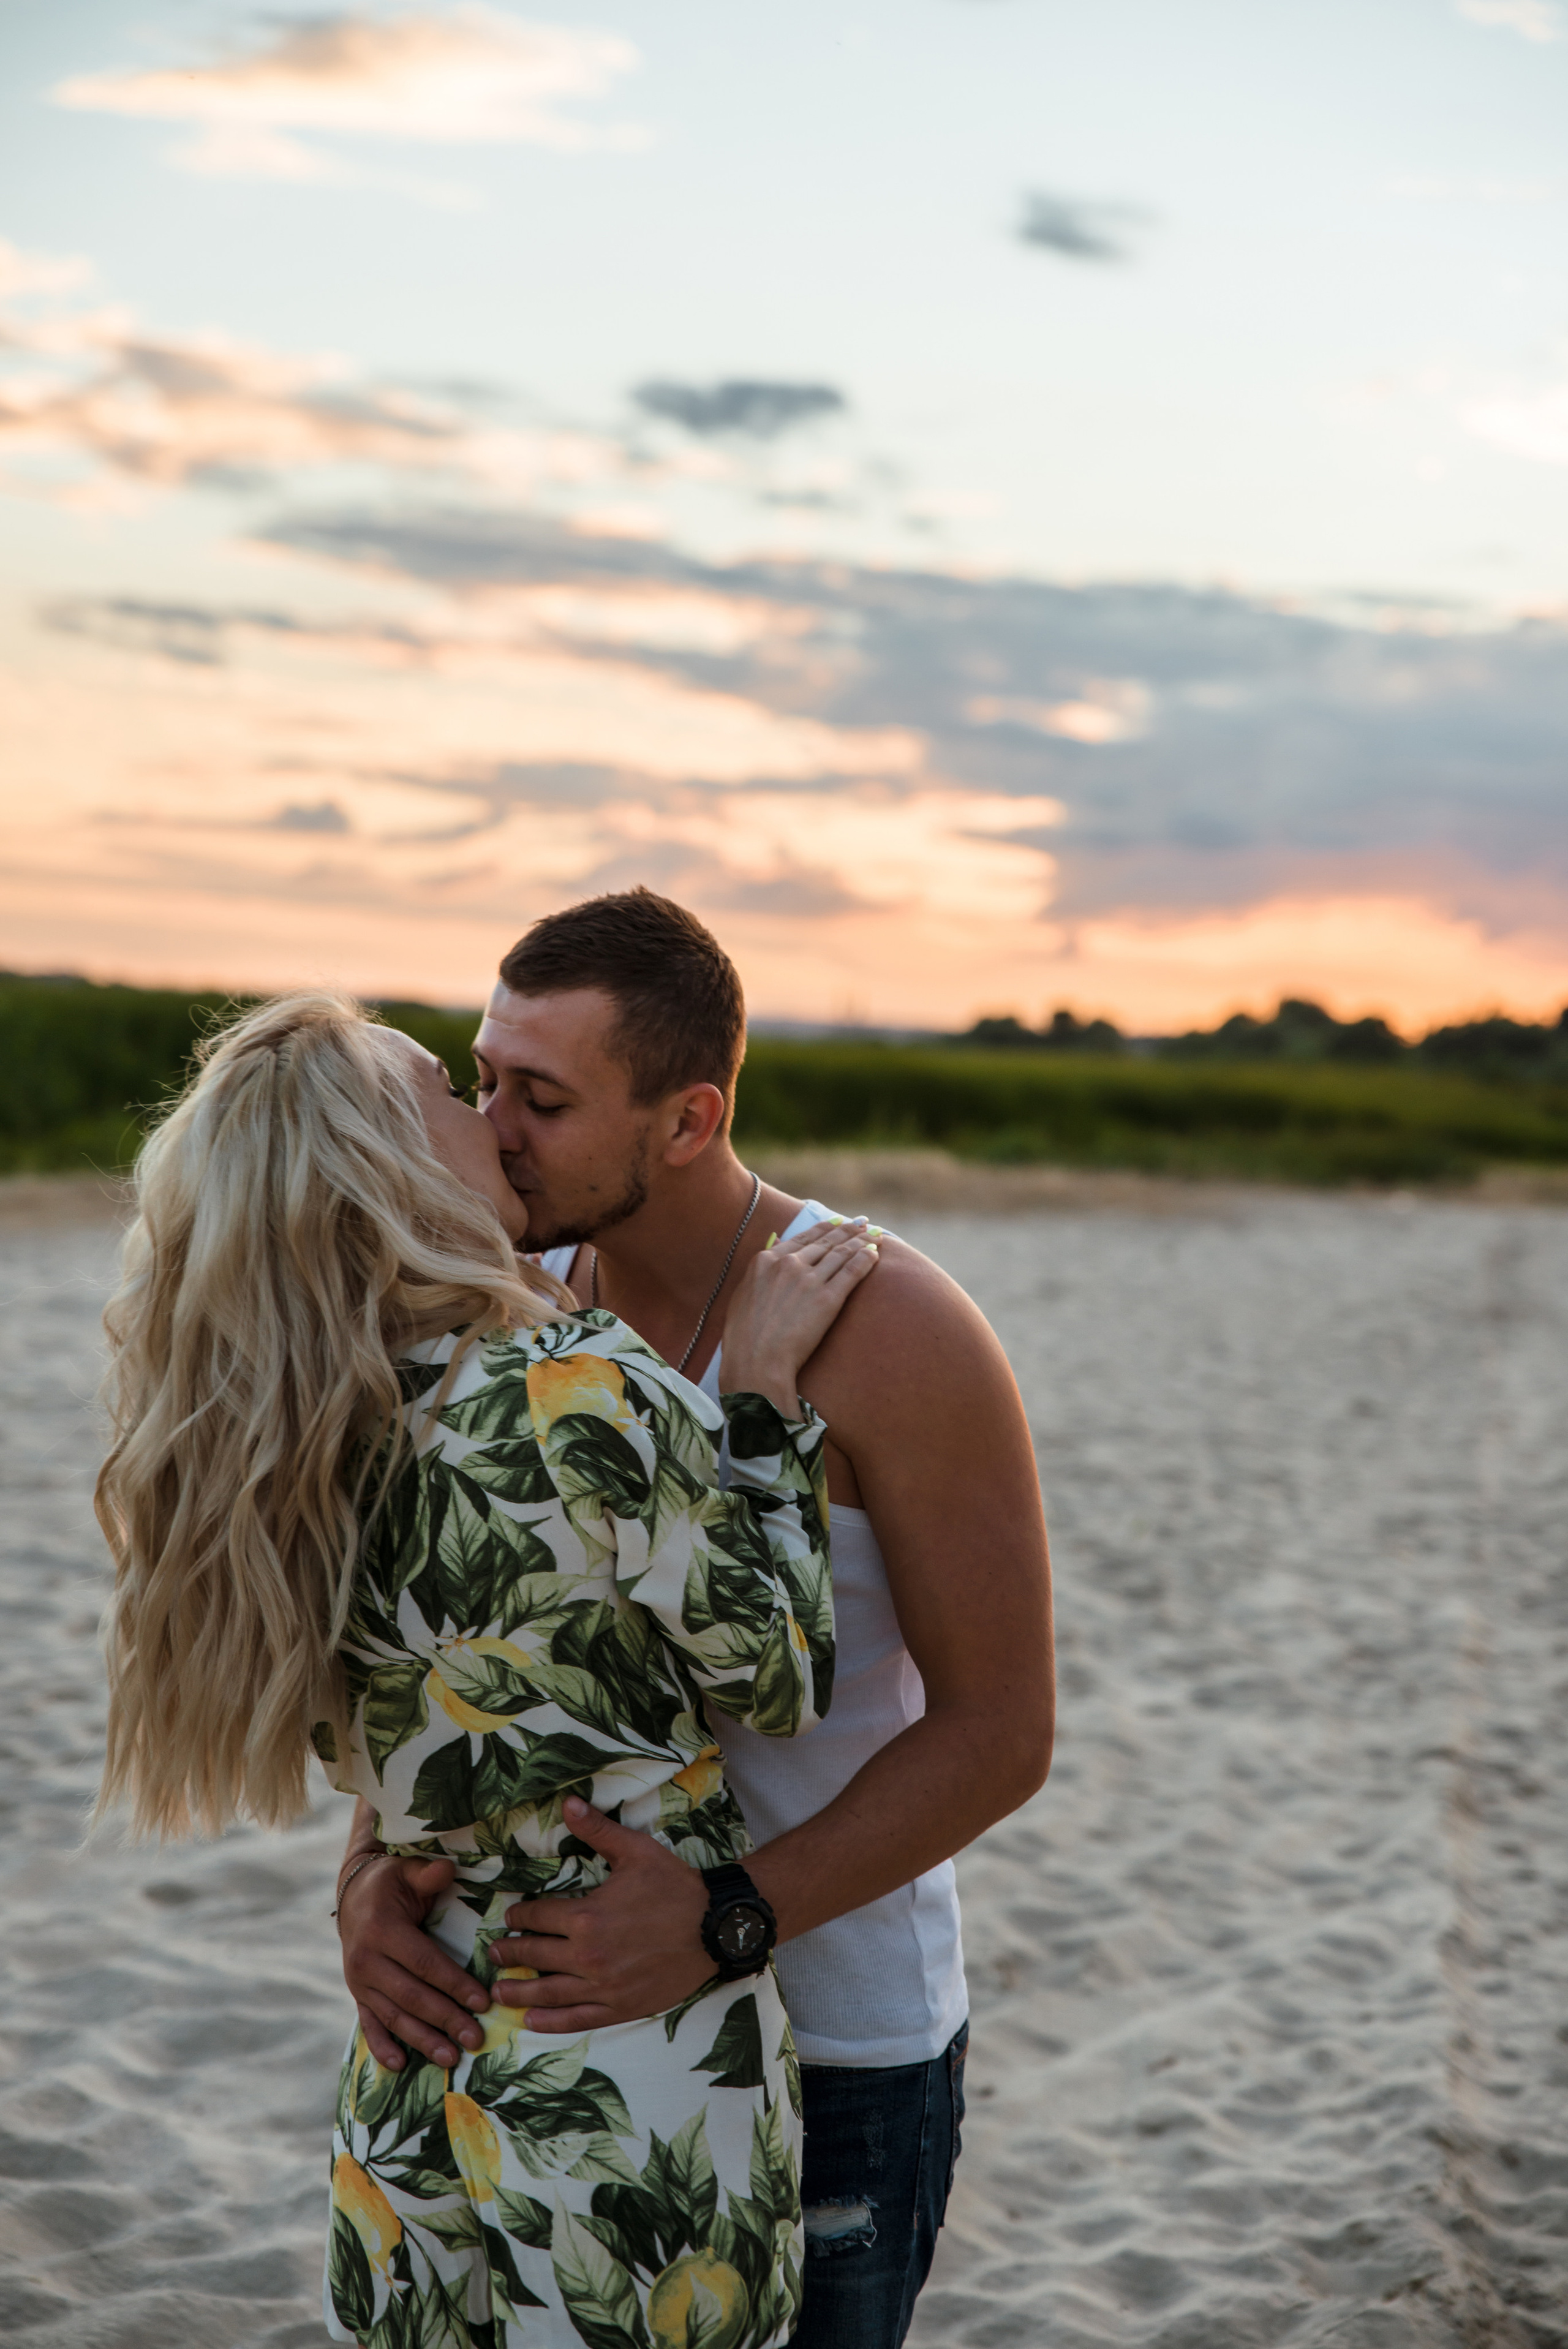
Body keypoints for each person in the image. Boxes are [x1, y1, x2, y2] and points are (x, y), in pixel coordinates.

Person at [92, 987, 881, 2349]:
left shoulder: (287, 1427)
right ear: (390, 1162)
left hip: (413, 2046)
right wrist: (753, 1401)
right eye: (449, 1095)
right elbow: (779, 1673)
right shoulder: (567, 1383)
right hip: (618, 2042)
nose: (488, 1125)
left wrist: (355, 1885)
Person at [337, 891, 1057, 2349]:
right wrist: (363, 1880)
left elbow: (1003, 1733)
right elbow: (451, 1651)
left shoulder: (893, 1329)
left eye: (539, 1097)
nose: (494, 1129)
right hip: (541, 2032)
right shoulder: (507, 1307)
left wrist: (726, 1920)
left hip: (832, 2048)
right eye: (482, 1082)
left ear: (686, 1118)